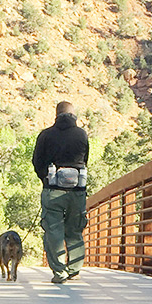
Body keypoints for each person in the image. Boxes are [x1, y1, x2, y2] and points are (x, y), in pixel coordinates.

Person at [32, 100, 89, 284]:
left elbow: (37, 161)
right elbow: (86, 159)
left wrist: (45, 179)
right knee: (75, 228)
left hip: (53, 189)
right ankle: (74, 270)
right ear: (74, 116)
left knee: (53, 230)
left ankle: (59, 273)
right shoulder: (81, 134)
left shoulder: (46, 135)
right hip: (77, 190)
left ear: (56, 115)